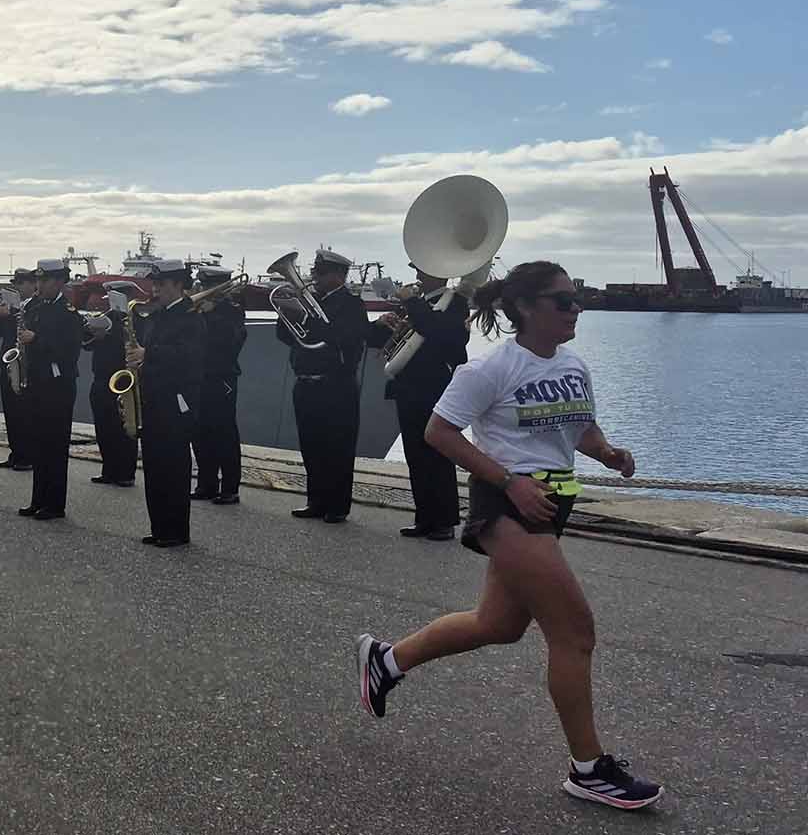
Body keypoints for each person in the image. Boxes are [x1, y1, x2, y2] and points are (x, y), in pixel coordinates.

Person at [357, 261, 662, 810]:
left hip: (551, 502)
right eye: (563, 301)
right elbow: (438, 432)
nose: (576, 308)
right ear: (524, 307)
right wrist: (508, 482)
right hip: (507, 506)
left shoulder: (573, 365)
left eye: (576, 297)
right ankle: (588, 769)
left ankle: (387, 661)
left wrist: (607, 452)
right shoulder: (489, 368)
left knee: (496, 624)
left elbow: (579, 426)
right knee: (575, 632)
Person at [369, 264, 471, 539]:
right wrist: (383, 326)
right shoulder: (419, 304)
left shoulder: (455, 303)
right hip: (408, 387)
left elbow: (438, 332)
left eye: (422, 270)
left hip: (433, 387)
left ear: (440, 272)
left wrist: (412, 304)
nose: (417, 276)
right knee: (415, 455)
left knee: (437, 455)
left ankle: (444, 522)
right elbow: (381, 341)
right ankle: (425, 517)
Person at [275, 249, 371, 523]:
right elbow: (286, 336)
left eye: (320, 272)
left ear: (338, 275)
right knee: (311, 445)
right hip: (306, 382)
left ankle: (337, 506)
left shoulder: (352, 305)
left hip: (336, 385)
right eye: (315, 271)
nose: (314, 277)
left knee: (338, 447)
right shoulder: (310, 301)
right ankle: (316, 501)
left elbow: (344, 338)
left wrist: (309, 319)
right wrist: (287, 312)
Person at [130, 260, 204, 546]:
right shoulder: (158, 315)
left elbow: (188, 356)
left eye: (161, 284)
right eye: (155, 284)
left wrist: (147, 354)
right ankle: (160, 526)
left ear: (178, 285)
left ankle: (176, 531)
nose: (155, 289)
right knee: (155, 466)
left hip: (175, 400)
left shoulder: (191, 317)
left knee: (173, 467)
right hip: (154, 398)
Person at [18, 259, 83, 521]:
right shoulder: (35, 307)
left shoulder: (68, 313)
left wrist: (36, 340)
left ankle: (54, 504)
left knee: (55, 446)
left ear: (58, 282)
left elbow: (69, 349)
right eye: (38, 280)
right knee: (39, 444)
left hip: (58, 386)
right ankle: (38, 499)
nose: (39, 285)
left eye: (44, 280)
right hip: (37, 381)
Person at [191, 266, 248, 505]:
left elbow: (231, 341)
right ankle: (207, 483)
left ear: (220, 287)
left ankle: (230, 488)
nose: (203, 290)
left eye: (208, 286)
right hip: (199, 376)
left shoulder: (232, 310)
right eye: (202, 286)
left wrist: (212, 314)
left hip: (221, 377)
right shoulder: (197, 310)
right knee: (199, 431)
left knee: (224, 432)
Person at [83, 281, 138, 488]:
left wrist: (111, 333)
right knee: (104, 427)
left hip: (122, 379)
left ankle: (126, 472)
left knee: (124, 427)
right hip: (101, 378)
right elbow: (85, 342)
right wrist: (94, 331)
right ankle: (109, 469)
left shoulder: (135, 319)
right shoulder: (106, 317)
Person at [0, 269, 39, 472]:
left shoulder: (35, 306)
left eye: (21, 283)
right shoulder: (14, 307)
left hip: (26, 364)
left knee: (24, 412)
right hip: (10, 361)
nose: (18, 287)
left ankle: (27, 455)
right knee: (10, 411)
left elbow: (31, 327)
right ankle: (16, 452)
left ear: (32, 284)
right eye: (16, 284)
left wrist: (10, 315)